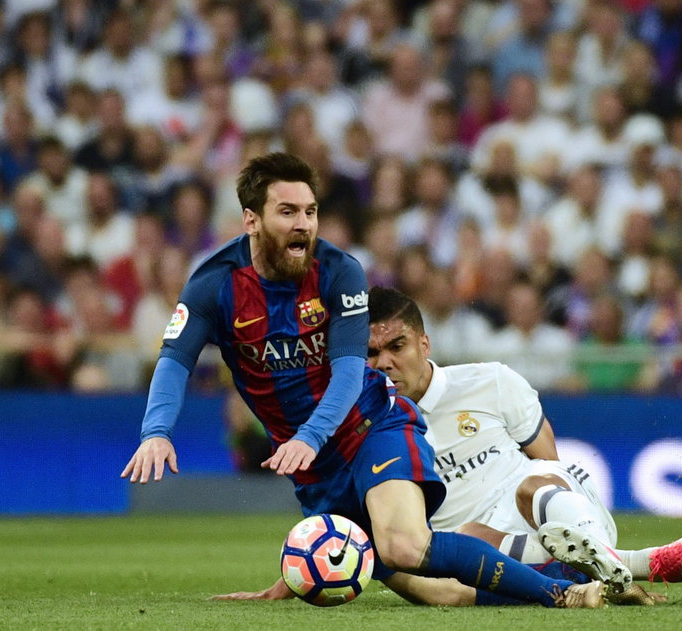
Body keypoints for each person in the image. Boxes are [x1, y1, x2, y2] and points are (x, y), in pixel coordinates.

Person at [121, 152, 605, 609]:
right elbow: (175, 359)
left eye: (310, 211)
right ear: (252, 220)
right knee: (438, 594)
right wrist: (156, 432)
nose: (303, 225)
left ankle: (562, 596)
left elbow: (351, 370)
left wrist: (310, 434)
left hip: (372, 429)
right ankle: (567, 578)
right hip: (315, 466)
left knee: (403, 546)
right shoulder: (215, 283)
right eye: (288, 212)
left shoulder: (338, 271)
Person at [216, 286, 682, 604]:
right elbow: (338, 517)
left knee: (539, 482)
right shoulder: (361, 429)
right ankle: (621, 569)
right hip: (473, 548)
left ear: (424, 345)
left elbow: (549, 461)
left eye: (397, 347)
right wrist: (288, 582)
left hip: (547, 509)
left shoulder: (491, 381)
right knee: (453, 569)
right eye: (369, 353)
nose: (383, 362)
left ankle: (608, 559)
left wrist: (559, 513)